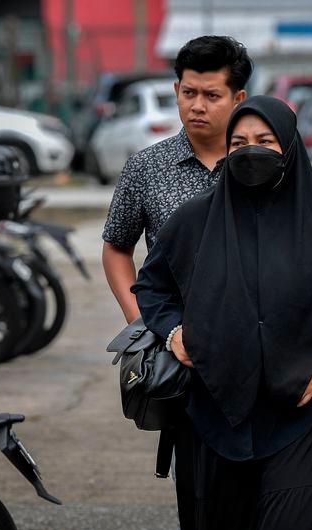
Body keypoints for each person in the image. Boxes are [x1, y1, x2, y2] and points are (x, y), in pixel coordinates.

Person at [132, 95, 312, 530]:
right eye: (239, 142)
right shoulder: (194, 220)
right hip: (211, 416)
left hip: (301, 418)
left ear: (289, 148)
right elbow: (152, 286)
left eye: (265, 140)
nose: (251, 151)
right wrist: (174, 332)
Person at [102, 35, 252, 323]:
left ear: (238, 99)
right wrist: (140, 320)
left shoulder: (257, 164)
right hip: (171, 335)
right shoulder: (146, 166)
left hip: (251, 335)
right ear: (176, 90)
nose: (197, 106)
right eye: (189, 93)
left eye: (212, 96)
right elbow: (117, 246)